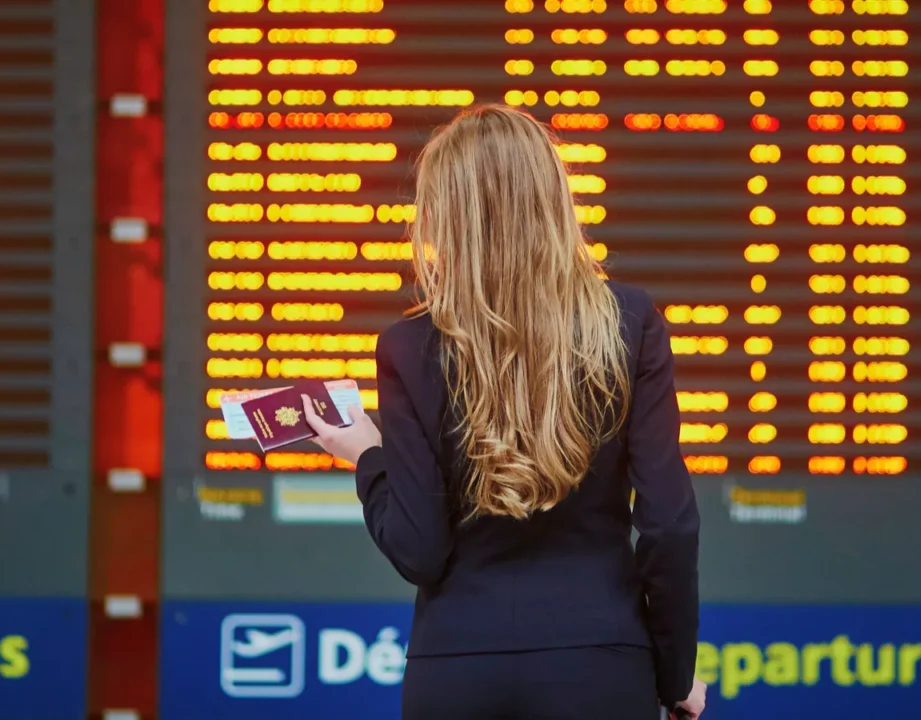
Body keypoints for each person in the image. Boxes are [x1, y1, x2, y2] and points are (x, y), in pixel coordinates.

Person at [301, 104, 704, 720]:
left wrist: (368, 456)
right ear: (553, 197)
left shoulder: (409, 346)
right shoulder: (630, 323)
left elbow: (419, 550)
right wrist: (673, 673)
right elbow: (669, 527)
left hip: (455, 675)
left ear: (445, 215)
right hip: (600, 668)